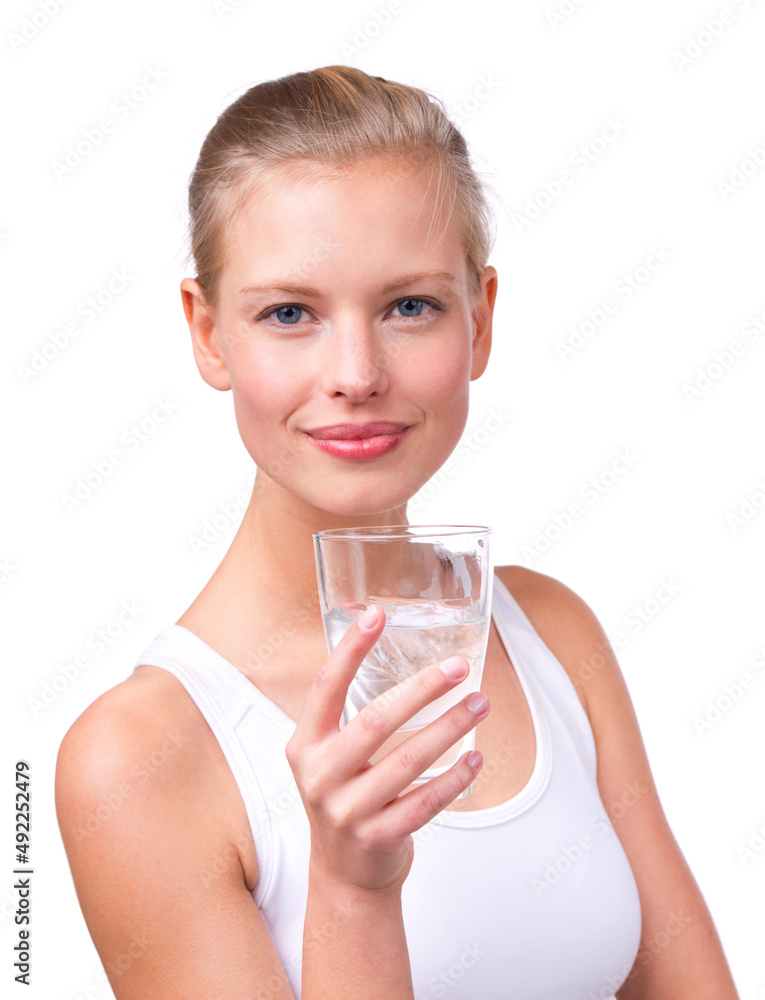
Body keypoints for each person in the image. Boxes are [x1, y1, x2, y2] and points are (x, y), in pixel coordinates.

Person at [54, 65, 739, 999]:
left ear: (481, 319)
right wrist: (351, 888)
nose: (355, 372)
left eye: (408, 305)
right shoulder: (137, 758)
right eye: (288, 313)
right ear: (208, 334)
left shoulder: (550, 632)